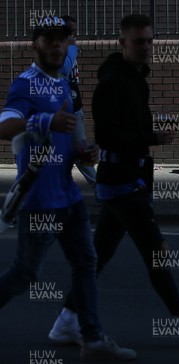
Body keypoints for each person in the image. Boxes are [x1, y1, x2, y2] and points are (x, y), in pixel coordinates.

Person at [48, 14, 179, 348]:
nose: (146, 47)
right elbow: (107, 135)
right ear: (122, 43)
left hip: (129, 180)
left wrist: (151, 135)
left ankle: (66, 321)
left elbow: (127, 128)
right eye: (138, 41)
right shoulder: (112, 84)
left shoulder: (134, 79)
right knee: (155, 251)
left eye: (149, 40)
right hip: (122, 181)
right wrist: (154, 137)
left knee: (99, 255)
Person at [0, 16, 136, 361]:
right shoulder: (25, 84)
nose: (58, 45)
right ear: (35, 45)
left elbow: (68, 142)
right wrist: (44, 121)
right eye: (50, 40)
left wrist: (85, 151)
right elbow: (4, 126)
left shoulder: (61, 85)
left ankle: (91, 337)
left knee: (86, 262)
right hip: (39, 197)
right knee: (25, 272)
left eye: (63, 40)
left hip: (68, 196)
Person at [58, 15, 97, 187]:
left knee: (81, 151)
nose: (74, 36)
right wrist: (72, 47)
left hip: (73, 106)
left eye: (75, 32)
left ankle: (100, 189)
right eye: (70, 32)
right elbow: (64, 69)